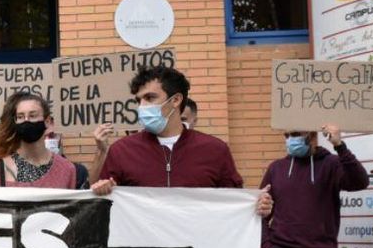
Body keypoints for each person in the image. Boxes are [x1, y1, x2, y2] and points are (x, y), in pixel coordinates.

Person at [91, 65, 274, 218]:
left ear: (176, 100)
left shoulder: (214, 150)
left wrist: (256, 206)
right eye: (139, 100)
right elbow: (101, 203)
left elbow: (235, 201)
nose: (142, 107)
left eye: (150, 98)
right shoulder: (122, 150)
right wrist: (102, 189)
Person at [0, 92, 78, 189]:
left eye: (33, 116)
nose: (26, 120)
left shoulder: (67, 169)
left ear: (47, 121)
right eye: (20, 117)